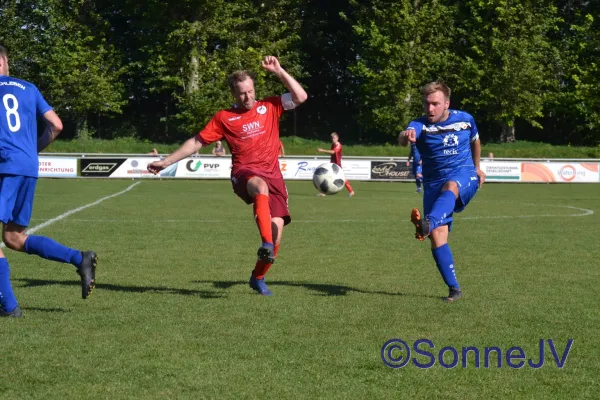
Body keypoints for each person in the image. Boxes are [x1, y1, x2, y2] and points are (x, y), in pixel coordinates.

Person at [148, 56, 307, 296]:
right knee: (259, 188)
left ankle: (258, 277)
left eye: (251, 91)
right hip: (245, 173)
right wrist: (166, 161)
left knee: (276, 240)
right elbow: (196, 142)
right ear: (233, 94)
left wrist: (278, 70)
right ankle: (264, 244)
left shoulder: (271, 106)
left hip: (274, 176)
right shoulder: (224, 118)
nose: (248, 97)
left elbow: (301, 97)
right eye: (242, 93)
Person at [0, 44, 96, 317]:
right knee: (14, 238)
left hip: (4, 166)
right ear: (6, 62)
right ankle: (80, 258)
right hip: (28, 167)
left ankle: (8, 308)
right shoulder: (29, 88)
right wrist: (31, 150)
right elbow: (56, 125)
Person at [398, 82, 485, 303]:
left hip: (463, 173)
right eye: (427, 104)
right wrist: (405, 135)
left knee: (452, 186)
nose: (430, 109)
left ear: (447, 103)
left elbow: (476, 142)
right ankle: (454, 288)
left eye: (435, 104)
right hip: (433, 184)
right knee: (438, 238)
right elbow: (403, 137)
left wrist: (477, 166)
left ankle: (428, 222)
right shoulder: (419, 125)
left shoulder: (465, 119)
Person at [317, 132, 355, 197]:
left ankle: (351, 191)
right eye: (332, 138)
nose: (333, 139)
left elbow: (333, 152)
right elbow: (332, 153)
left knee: (342, 178)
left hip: (337, 165)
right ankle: (323, 192)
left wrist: (322, 150)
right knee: (327, 177)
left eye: (334, 138)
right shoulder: (333, 145)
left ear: (337, 138)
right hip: (332, 164)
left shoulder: (338, 145)